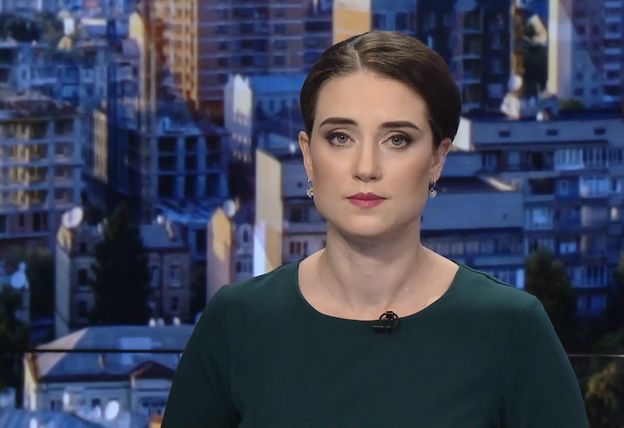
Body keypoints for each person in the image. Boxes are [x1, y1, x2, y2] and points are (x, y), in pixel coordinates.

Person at [162, 31, 588, 427]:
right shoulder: (236, 323)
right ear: (308, 156)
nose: (366, 168)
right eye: (340, 137)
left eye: (397, 139)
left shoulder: (512, 328)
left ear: (437, 158)